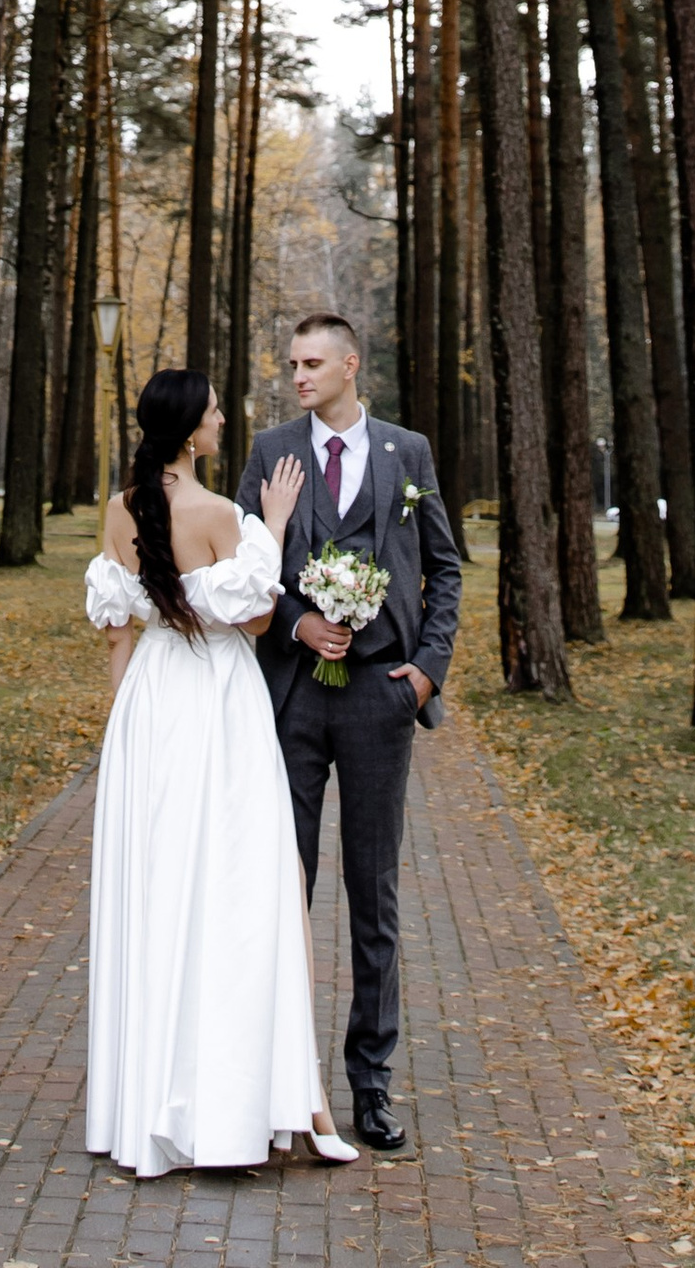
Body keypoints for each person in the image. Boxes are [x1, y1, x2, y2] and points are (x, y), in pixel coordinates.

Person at [84, 366, 361, 1179]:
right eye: (213, 412)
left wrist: (121, 734)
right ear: (187, 431)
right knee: (241, 889)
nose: (222, 421)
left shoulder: (118, 510)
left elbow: (116, 631)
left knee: (161, 894)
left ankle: (156, 1105)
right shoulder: (216, 515)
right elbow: (255, 614)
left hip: (148, 709)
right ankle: (259, 1104)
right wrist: (270, 525)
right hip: (215, 704)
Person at [235, 310, 463, 1155]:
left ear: (350, 365)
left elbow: (444, 568)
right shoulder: (270, 452)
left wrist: (427, 669)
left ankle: (372, 1084)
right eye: (291, 363)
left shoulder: (409, 452)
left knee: (375, 893)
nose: (297, 375)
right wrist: (296, 624)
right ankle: (277, 1081)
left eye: (311, 363)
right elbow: (246, 567)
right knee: (283, 887)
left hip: (379, 695)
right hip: (293, 699)